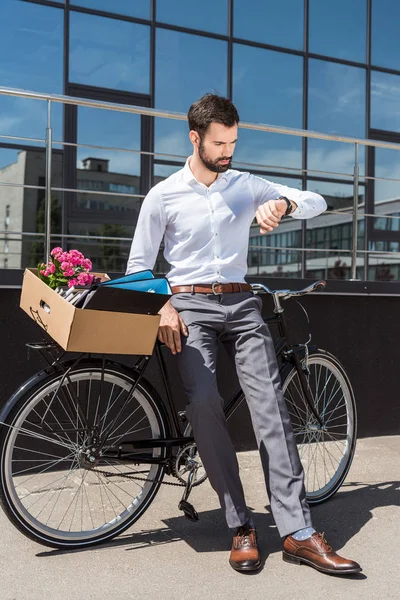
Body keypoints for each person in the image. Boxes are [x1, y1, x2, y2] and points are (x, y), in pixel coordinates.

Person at [126, 93, 361, 575]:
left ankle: (297, 531)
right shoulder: (164, 194)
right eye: (219, 143)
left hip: (241, 301)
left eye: (233, 141)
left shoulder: (244, 184)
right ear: (195, 138)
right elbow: (137, 266)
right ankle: (241, 524)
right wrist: (164, 305)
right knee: (204, 401)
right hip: (189, 305)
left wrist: (281, 202)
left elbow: (315, 201)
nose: (228, 151)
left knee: (270, 404)